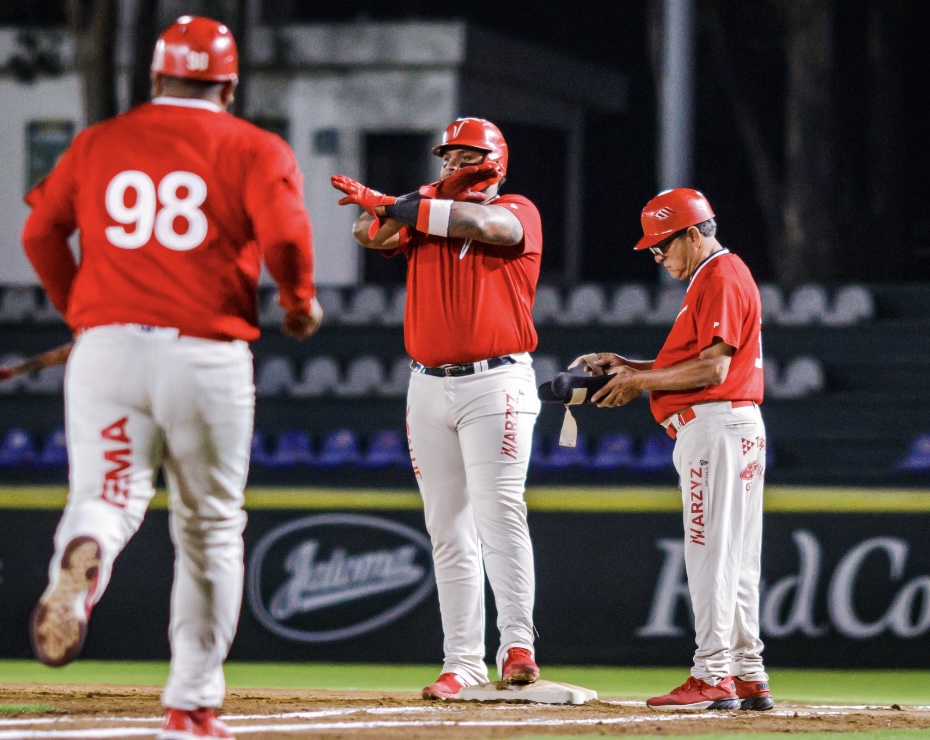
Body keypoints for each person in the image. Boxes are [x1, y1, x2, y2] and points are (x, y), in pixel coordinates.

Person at [21, 15, 322, 739]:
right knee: (210, 526)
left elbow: (39, 233)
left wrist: (81, 312)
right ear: (228, 84)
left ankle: (81, 556)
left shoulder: (100, 142)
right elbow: (284, 235)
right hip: (203, 353)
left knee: (105, 495)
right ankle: (190, 702)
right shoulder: (253, 145)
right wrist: (300, 300)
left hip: (108, 348)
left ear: (156, 77)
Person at [331, 117, 543, 700]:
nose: (449, 164)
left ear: (492, 159)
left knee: (499, 511)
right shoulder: (424, 212)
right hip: (426, 384)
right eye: (445, 157)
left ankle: (518, 644)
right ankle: (463, 661)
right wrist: (399, 205)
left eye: (462, 155)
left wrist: (401, 204)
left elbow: (483, 224)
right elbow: (365, 234)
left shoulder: (518, 209)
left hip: (495, 382)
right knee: (446, 527)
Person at [577, 188, 773, 711]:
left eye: (662, 245)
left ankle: (712, 673)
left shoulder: (721, 275)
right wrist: (634, 367)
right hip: (730, 426)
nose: (657, 256)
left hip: (715, 427)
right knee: (736, 556)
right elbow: (698, 363)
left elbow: (714, 370)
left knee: (709, 553)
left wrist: (641, 384)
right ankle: (746, 670)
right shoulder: (714, 276)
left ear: (692, 233)